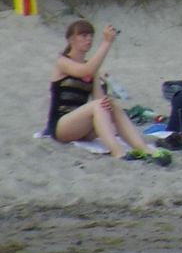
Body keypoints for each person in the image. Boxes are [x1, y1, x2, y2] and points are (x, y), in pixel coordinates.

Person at [45, 20, 170, 164]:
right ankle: (118, 152)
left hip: (81, 128)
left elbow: (99, 98)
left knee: (110, 106)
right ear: (71, 39)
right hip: (61, 126)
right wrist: (106, 42)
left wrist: (108, 102)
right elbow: (85, 71)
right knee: (99, 105)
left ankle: (143, 148)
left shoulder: (91, 68)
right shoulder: (63, 62)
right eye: (83, 36)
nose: (88, 39)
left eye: (91, 36)